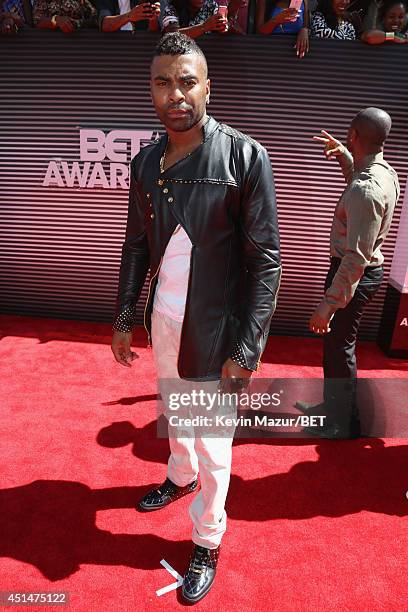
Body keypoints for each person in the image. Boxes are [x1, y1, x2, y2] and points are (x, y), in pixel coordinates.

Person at [111, 32, 281, 604]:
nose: (175, 93)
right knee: (171, 406)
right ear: (151, 91)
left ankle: (207, 539)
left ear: (208, 85)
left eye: (187, 81)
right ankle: (178, 479)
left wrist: (247, 348)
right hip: (165, 318)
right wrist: (125, 313)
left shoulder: (244, 156)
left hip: (219, 327)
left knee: (213, 440)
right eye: (163, 82)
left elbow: (266, 264)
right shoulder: (146, 161)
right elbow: (136, 246)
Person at [296, 108, 400, 439]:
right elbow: (358, 188)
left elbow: (356, 257)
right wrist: (344, 157)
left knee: (340, 348)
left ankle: (343, 422)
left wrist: (328, 303)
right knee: (336, 346)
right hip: (358, 271)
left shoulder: (366, 189)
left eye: (348, 135)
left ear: (354, 135)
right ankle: (334, 411)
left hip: (353, 273)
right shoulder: (385, 173)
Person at [160, 0, 229, 37]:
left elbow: (222, 27)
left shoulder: (210, 5)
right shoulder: (173, 7)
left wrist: (222, 26)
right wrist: (204, 27)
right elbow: (172, 35)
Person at [33, 0, 97, 32]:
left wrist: (77, 23)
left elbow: (94, 19)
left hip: (77, 42)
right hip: (50, 44)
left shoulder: (82, 1)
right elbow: (37, 20)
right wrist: (56, 20)